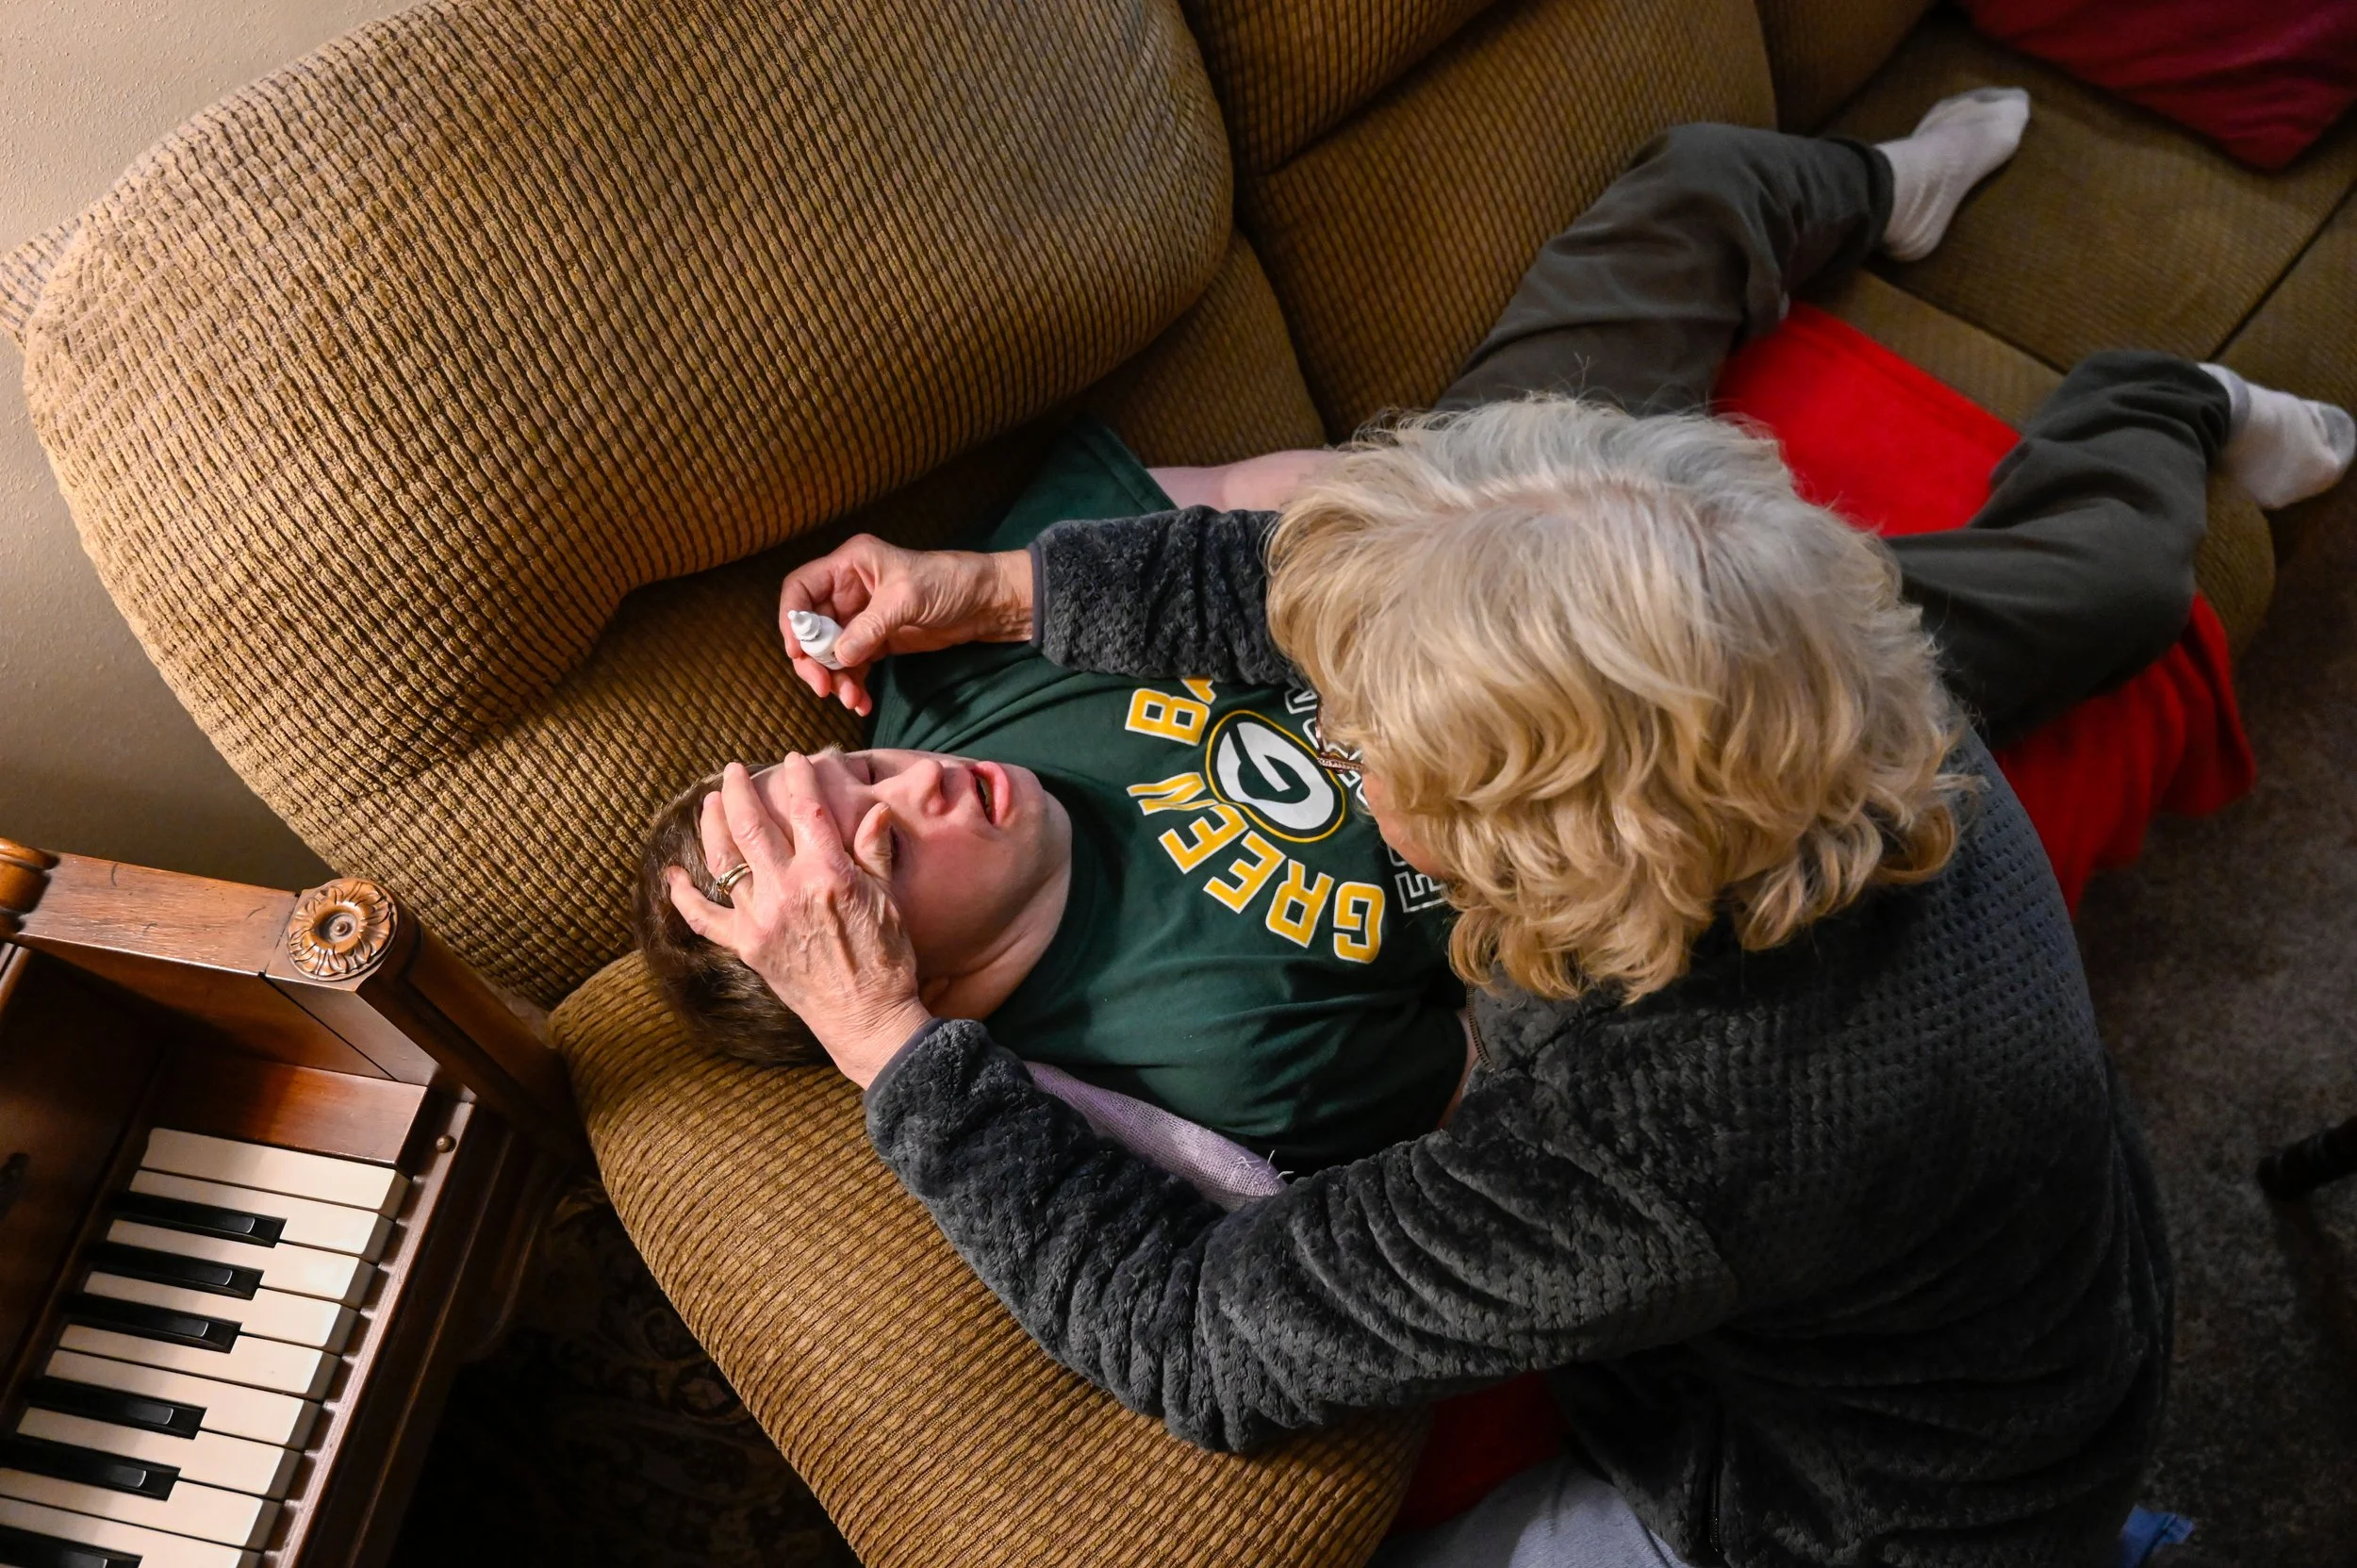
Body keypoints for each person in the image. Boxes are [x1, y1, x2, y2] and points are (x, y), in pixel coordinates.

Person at [667, 95, 2355, 1567]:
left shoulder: (1653, 1137)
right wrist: (1014, 588)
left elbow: (1198, 1339)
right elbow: (1384, 596)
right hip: (2038, 1273)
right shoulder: (1824, 677)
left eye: (1376, 730)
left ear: (1542, 835)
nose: (1330, 719)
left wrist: (890, 1036)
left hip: (1870, 1514)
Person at [636, 417, 1477, 1191]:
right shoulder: (1224, 1066)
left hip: (1489, 511)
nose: (923, 778)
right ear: (916, 981)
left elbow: (1248, 496)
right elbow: (1490, 1067)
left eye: (859, 767)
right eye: (886, 846)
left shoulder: (950, 650)